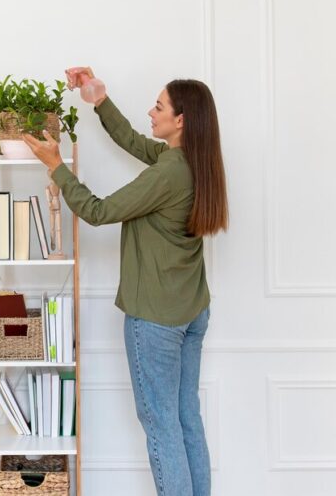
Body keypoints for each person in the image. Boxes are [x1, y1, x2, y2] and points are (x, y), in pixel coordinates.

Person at [22, 66, 228, 496]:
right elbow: (135, 142)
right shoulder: (191, 161)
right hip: (192, 311)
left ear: (181, 120)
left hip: (156, 319)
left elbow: (98, 211)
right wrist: (99, 100)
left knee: (161, 427)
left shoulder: (169, 173)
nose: (151, 113)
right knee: (185, 418)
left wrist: (57, 167)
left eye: (158, 106)